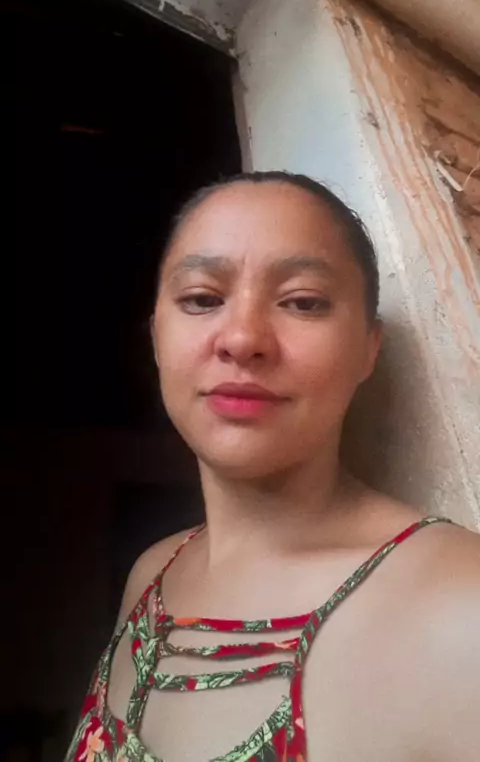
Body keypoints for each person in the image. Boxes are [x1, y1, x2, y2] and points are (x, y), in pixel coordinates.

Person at [67, 171, 480, 762]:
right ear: (156, 335)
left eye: (303, 302)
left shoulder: (462, 602)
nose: (242, 339)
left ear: (369, 347)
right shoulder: (153, 574)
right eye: (202, 299)